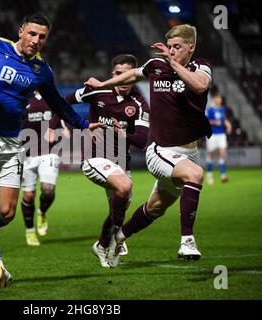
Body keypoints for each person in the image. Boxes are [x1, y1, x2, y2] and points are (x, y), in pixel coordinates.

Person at [0, 12, 102, 283]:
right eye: (32, 33)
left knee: (6, 213)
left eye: (42, 37)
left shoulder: (42, 71)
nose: (36, 40)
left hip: (11, 145)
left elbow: (59, 105)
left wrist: (84, 125)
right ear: (21, 31)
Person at [85, 24, 212, 267]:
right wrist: (103, 84)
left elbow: (200, 86)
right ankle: (187, 241)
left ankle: (115, 239)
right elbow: (132, 75)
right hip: (160, 150)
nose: (172, 52)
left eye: (177, 47)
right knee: (195, 175)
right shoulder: (156, 66)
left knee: (154, 209)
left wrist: (173, 64)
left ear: (191, 47)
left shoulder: (202, 67)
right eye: (170, 47)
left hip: (188, 153)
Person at [49, 54, 150, 267]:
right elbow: (63, 102)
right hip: (94, 159)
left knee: (117, 210)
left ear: (134, 76)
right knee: (124, 187)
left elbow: (141, 141)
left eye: (127, 75)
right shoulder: (98, 91)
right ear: (112, 75)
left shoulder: (139, 104)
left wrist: (123, 133)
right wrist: (52, 127)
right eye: (118, 74)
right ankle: (115, 238)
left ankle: (103, 244)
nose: (122, 80)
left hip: (122, 164)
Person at [20, 90, 70, 246]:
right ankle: (30, 231)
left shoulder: (52, 97)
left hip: (49, 151)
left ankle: (42, 212)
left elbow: (60, 115)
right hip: (26, 154)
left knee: (48, 190)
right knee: (28, 196)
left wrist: (64, 129)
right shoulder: (21, 98)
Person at [205, 93, 232, 184]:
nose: (219, 100)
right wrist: (214, 122)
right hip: (212, 135)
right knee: (211, 155)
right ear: (214, 99)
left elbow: (223, 120)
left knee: (222, 154)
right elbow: (206, 121)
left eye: (220, 98)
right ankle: (209, 176)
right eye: (217, 98)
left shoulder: (222, 109)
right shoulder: (210, 110)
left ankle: (223, 175)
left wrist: (228, 125)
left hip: (221, 135)